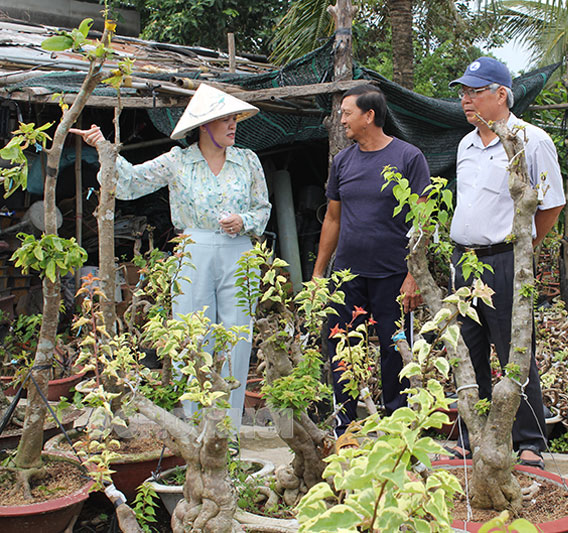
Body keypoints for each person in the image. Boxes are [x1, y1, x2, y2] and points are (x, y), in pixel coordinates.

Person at [70, 83, 271, 429]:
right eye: (225, 119)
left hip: (239, 251)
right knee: (193, 335)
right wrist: (103, 147)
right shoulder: (178, 160)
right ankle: (195, 429)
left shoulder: (247, 161)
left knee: (237, 335)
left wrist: (245, 221)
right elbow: (130, 183)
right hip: (193, 249)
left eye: (235, 118)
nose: (233, 125)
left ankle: (230, 434)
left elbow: (263, 209)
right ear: (205, 125)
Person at [448, 57, 565, 468]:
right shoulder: (465, 143)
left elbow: (550, 204)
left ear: (501, 94)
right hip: (464, 261)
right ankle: (471, 435)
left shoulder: (531, 139)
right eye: (463, 92)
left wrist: (525, 247)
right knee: (469, 350)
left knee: (515, 349)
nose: (466, 99)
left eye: (475, 91)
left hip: (505, 260)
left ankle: (530, 440)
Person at [312, 84, 430, 435]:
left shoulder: (409, 158)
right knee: (341, 347)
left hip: (394, 275)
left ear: (370, 115)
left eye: (347, 113)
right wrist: (320, 273)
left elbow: (423, 222)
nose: (341, 119)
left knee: (395, 352)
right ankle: (344, 429)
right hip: (347, 277)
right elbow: (332, 219)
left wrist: (414, 275)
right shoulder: (343, 161)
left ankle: (397, 430)